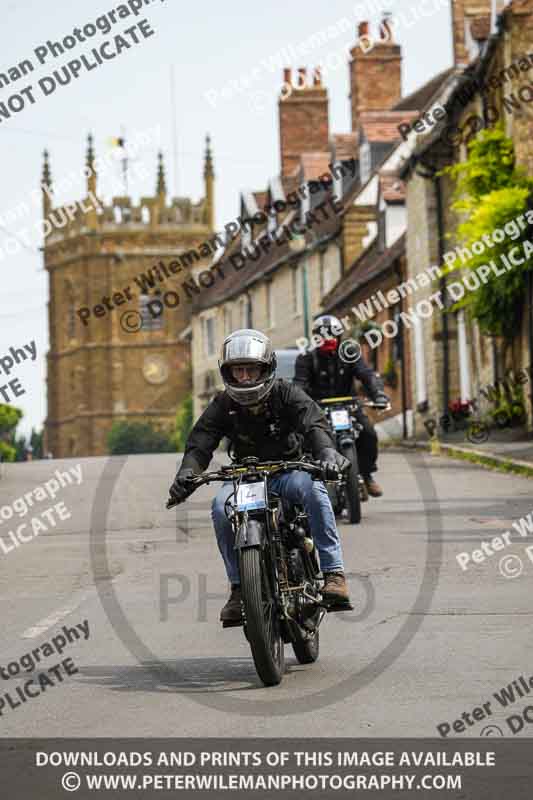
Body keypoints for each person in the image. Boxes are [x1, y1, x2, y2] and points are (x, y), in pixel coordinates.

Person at [169, 328, 351, 625]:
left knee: (315, 490)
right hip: (246, 476)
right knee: (219, 508)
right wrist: (187, 472)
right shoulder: (223, 404)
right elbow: (201, 442)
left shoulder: (286, 393)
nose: (244, 377)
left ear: (266, 368)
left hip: (288, 470)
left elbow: (313, 422)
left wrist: (327, 453)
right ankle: (239, 588)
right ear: (227, 372)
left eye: (251, 369)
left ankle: (334, 573)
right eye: (237, 370)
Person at [294, 315, 390, 497]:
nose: (328, 339)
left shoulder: (350, 352)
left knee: (368, 433)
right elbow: (300, 384)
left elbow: (366, 374)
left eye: (332, 334)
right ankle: (308, 481)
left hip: (349, 406)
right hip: (319, 409)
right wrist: (300, 404)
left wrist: (378, 393)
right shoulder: (306, 358)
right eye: (324, 335)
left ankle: (367, 475)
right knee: (303, 439)